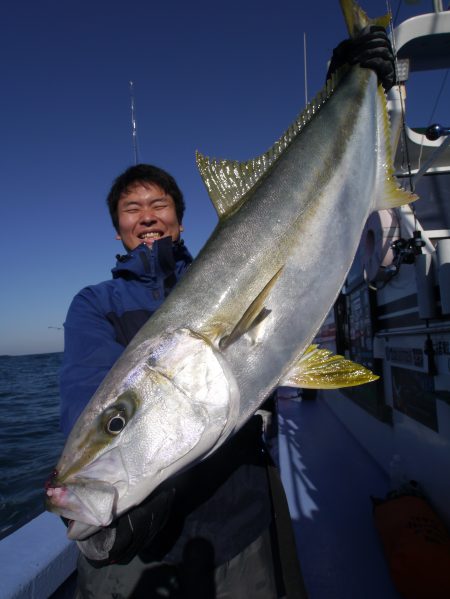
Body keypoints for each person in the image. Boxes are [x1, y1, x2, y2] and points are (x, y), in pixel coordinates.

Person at [60, 29, 395, 599]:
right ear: (117, 228)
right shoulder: (96, 305)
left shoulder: (207, 274)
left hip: (239, 525)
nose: (146, 216)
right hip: (144, 557)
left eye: (158, 204)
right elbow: (88, 397)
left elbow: (330, 231)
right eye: (131, 209)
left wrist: (349, 86)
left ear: (180, 220)